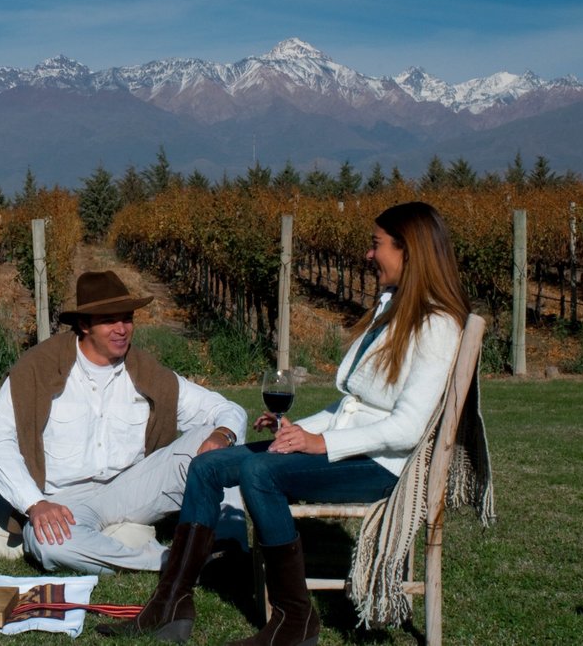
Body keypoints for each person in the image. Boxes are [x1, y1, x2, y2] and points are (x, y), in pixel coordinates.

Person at [100, 201, 473, 645]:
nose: (369, 257)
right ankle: (171, 604)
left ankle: (294, 620)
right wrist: (297, 431)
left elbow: (408, 429)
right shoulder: (391, 311)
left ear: (409, 251)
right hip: (346, 447)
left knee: (259, 473)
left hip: (383, 465)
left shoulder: (438, 326)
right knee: (207, 465)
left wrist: (320, 445)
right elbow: (351, 405)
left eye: (377, 246)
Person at [0, 270, 248, 575]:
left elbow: (227, 409)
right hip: (64, 501)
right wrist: (34, 503)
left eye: (127, 319)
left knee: (223, 449)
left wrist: (223, 435)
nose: (122, 329)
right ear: (84, 324)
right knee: (48, 544)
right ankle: (168, 562)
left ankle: (231, 549)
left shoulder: (146, 371)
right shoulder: (37, 369)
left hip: (133, 489)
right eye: (109, 320)